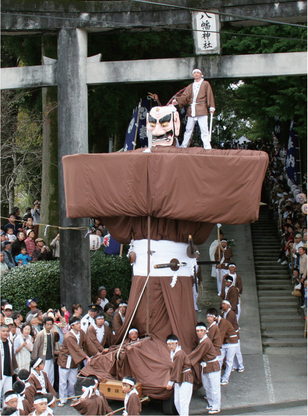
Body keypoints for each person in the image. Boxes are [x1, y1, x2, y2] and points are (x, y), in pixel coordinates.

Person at [57, 316, 98, 407]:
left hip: (74, 360)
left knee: (73, 380)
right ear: (72, 326)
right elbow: (76, 348)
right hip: (65, 359)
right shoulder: (69, 336)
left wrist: (97, 352)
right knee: (63, 381)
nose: (79, 325)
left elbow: (88, 342)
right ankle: (62, 398)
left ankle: (71, 395)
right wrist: (87, 357)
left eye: (79, 323)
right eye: (77, 324)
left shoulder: (81, 332)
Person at [172, 68, 215, 149]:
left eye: (198, 72)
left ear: (201, 74)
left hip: (202, 108)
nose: (196, 74)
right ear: (192, 75)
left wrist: (211, 107)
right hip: (192, 109)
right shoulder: (190, 86)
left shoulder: (205, 84)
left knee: (204, 128)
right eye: (194, 73)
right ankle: (184, 145)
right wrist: (177, 101)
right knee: (188, 129)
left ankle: (207, 146)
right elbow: (185, 97)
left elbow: (210, 95)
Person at [189, 322, 221, 415]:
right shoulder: (202, 341)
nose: (199, 333)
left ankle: (216, 406)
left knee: (214, 388)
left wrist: (184, 360)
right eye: (198, 331)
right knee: (207, 387)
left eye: (201, 331)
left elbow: (196, 354)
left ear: (206, 331)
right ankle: (211, 404)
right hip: (206, 366)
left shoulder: (205, 342)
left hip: (213, 367)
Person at [165, 334, 193, 416]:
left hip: (185, 378)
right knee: (177, 401)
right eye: (169, 344)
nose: (171, 346)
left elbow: (177, 369)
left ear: (177, 343)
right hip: (179, 378)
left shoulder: (179, 354)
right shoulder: (173, 353)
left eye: (172, 344)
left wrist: (170, 382)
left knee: (183, 401)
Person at [32, 316, 57, 387]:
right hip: (43, 359)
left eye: (51, 324)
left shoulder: (52, 333)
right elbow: (36, 347)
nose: (49, 326)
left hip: (50, 358)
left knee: (51, 376)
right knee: (44, 376)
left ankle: (50, 391)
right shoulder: (40, 334)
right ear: (44, 325)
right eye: (47, 324)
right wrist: (35, 359)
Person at [0, 325, 18, 406]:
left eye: (7, 331)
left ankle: (7, 411)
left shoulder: (9, 342)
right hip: (1, 372)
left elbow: (12, 357)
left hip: (8, 371)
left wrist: (15, 369)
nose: (5, 333)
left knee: (8, 395)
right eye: (3, 331)